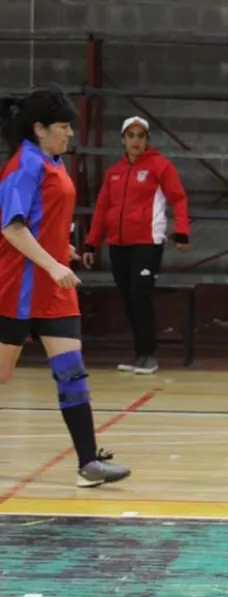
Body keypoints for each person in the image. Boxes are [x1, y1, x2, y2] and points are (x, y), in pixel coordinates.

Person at [0, 87, 131, 488]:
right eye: (62, 127)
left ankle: (88, 463)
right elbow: (11, 227)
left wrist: (62, 249)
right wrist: (52, 262)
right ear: (39, 129)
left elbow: (43, 219)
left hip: (54, 288)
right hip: (17, 287)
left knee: (72, 373)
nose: (69, 133)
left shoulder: (52, 162)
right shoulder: (23, 166)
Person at [82, 116, 191, 375]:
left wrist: (182, 231)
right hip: (118, 244)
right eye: (130, 135)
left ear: (147, 140)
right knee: (129, 299)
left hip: (147, 243)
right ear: (123, 139)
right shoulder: (114, 173)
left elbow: (179, 198)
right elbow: (101, 209)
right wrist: (91, 243)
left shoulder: (160, 167)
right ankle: (139, 354)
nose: (135, 141)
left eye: (140, 136)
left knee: (141, 297)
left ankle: (148, 354)